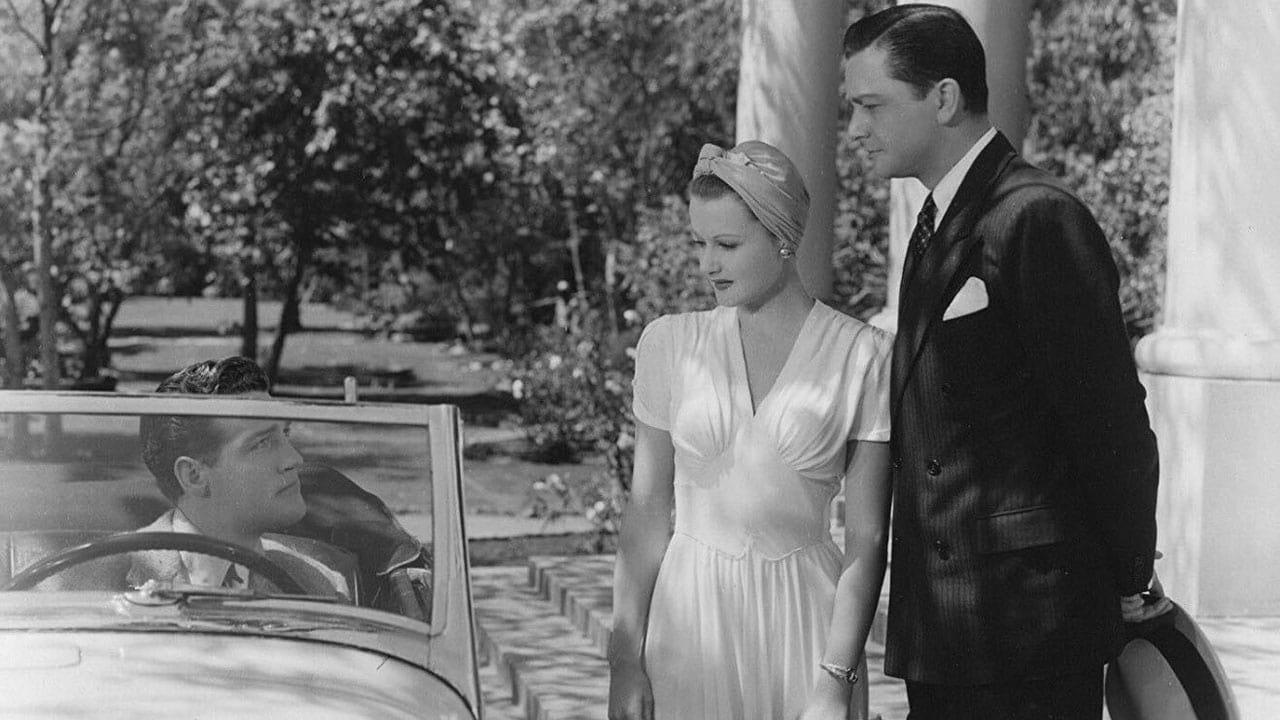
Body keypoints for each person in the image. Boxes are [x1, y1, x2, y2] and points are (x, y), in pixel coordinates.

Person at [841, 6, 1170, 718]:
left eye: (870, 105)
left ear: (944, 97)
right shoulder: (935, 223)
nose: (855, 131)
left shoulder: (1037, 218)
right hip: (944, 630)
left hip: (1030, 630)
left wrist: (1130, 581)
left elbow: (1110, 427)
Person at [607, 140, 893, 720]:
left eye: (728, 245)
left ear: (782, 238)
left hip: (809, 632)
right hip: (689, 629)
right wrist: (624, 660)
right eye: (701, 244)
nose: (708, 264)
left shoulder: (861, 355)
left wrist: (835, 679)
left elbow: (868, 539)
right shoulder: (669, 344)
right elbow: (644, 514)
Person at [128, 356, 350, 599]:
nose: (294, 458)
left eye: (286, 433)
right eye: (263, 443)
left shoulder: (320, 585)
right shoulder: (97, 577)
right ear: (194, 476)